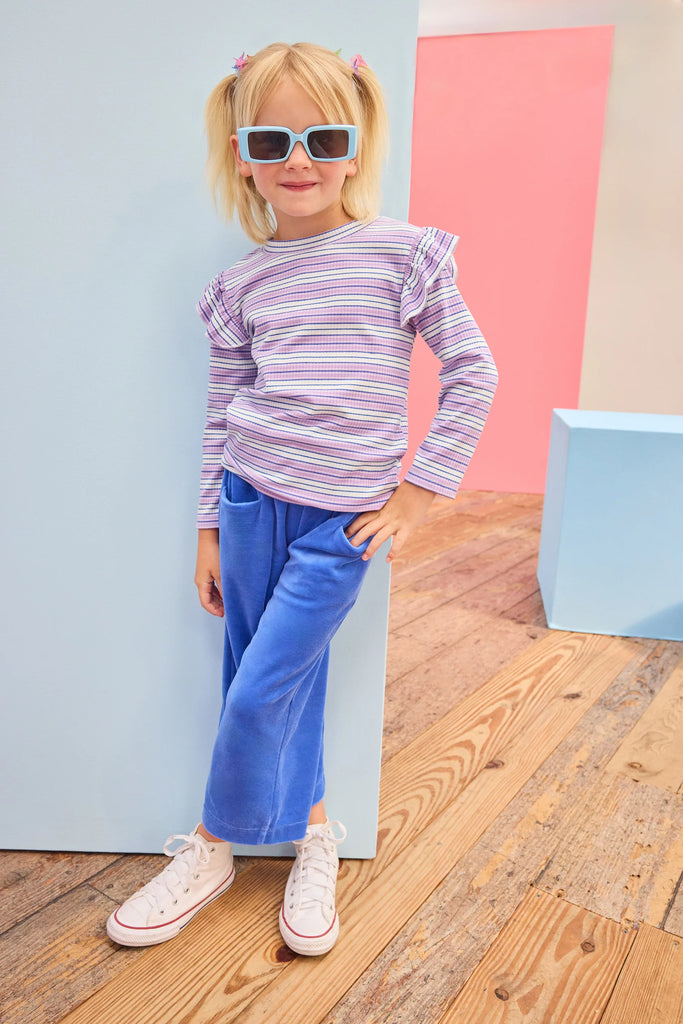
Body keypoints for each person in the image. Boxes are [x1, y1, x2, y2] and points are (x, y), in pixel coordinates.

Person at [106, 41, 498, 957]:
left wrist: (418, 493)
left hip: (340, 523)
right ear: (241, 154)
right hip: (249, 503)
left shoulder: (403, 256)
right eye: (270, 140)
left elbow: (473, 373)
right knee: (272, 678)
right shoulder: (239, 285)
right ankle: (314, 834)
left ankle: (211, 845)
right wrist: (207, 527)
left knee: (260, 689)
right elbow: (221, 412)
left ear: (355, 149)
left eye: (323, 139)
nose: (298, 160)